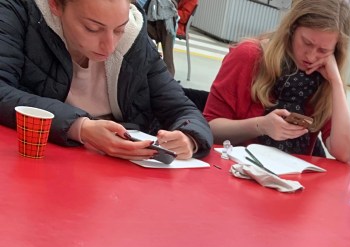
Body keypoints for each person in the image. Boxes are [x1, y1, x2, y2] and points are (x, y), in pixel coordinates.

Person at [0, 0, 212, 160]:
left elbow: (183, 109)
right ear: (54, 5)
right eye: (92, 28)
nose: (109, 46)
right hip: (37, 163)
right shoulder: (17, 13)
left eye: (119, 29)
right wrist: (80, 127)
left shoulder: (134, 37)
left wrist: (189, 138)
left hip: (122, 184)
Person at [203, 0, 350, 162]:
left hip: (293, 173)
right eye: (306, 43)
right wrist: (260, 126)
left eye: (323, 51)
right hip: (236, 167)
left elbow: (345, 153)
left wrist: (336, 82)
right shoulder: (249, 56)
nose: (311, 56)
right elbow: (210, 128)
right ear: (292, 29)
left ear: (335, 51)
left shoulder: (324, 78)